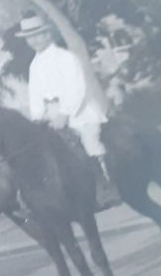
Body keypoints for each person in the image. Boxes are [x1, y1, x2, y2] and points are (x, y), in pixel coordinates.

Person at [19, 13, 114, 186]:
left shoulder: (65, 57)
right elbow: (35, 95)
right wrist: (37, 117)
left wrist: (64, 114)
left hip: (80, 111)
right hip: (52, 113)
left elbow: (76, 89)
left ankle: (105, 183)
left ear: (48, 34)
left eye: (38, 35)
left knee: (89, 141)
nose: (34, 40)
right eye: (29, 37)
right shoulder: (35, 64)